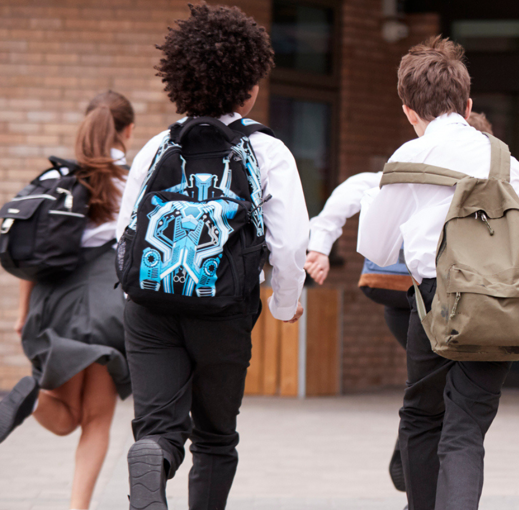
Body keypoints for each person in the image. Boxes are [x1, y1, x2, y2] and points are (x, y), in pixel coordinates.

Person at [114, 5, 309, 509]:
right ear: (249, 86)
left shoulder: (159, 147)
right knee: (216, 436)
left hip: (150, 306)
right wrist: (286, 304)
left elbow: (126, 234)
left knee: (158, 424)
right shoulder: (267, 151)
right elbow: (288, 245)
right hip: (223, 305)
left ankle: (153, 454)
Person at [357, 36, 519, 510]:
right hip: (500, 301)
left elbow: (375, 248)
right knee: (466, 429)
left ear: (408, 110)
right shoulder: (508, 163)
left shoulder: (407, 159)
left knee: (422, 417)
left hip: (435, 301)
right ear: (468, 103)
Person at [303, 112, 495, 498]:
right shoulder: (498, 171)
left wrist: (321, 247)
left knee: (430, 398)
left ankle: (412, 451)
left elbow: (357, 195)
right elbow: (358, 189)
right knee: (448, 407)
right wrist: (320, 246)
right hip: (428, 299)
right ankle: (416, 451)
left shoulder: (420, 158)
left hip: (412, 297)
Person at [0, 90, 136, 510]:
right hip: (108, 307)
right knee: (95, 419)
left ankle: (30, 395)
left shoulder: (59, 179)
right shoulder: (133, 180)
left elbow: (34, 257)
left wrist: (24, 315)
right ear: (127, 131)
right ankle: (78, 508)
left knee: (62, 415)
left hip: (53, 301)